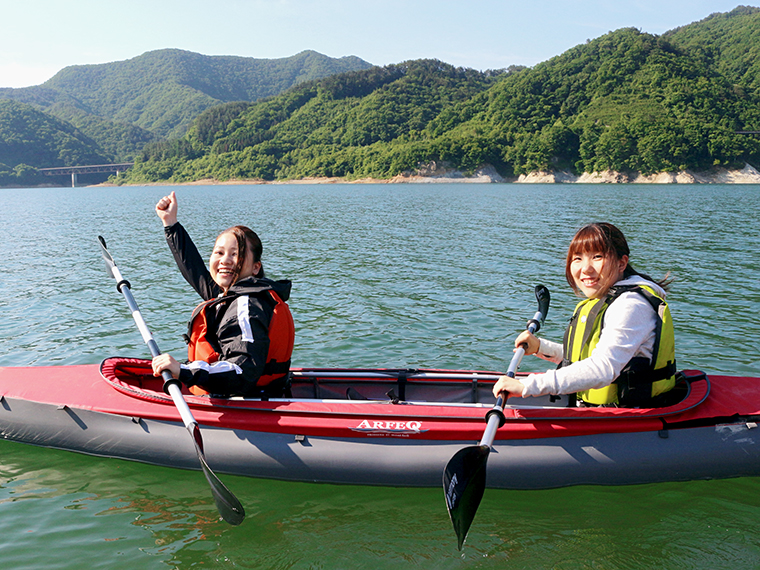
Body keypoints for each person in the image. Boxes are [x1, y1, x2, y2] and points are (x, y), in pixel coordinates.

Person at [492, 222, 676, 407]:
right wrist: (541, 347)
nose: (586, 269)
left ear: (622, 263)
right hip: (600, 412)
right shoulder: (608, 298)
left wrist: (527, 386)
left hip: (628, 419)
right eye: (577, 258)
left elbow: (603, 368)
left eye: (597, 257)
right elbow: (584, 356)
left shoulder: (631, 305)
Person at [151, 191, 295, 398]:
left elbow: (242, 371)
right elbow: (195, 270)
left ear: (255, 267)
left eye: (236, 254)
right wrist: (170, 223)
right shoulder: (231, 294)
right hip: (255, 394)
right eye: (219, 253)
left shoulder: (246, 307)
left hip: (247, 403)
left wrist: (182, 371)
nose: (225, 260)